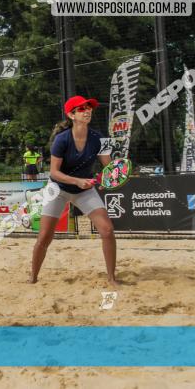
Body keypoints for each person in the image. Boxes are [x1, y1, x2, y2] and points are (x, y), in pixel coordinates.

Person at [29, 95, 118, 286]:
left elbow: (109, 169)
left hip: (84, 189)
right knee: (44, 237)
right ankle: (33, 278)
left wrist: (109, 180)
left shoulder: (100, 138)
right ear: (71, 115)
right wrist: (77, 181)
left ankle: (111, 278)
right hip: (57, 189)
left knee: (107, 230)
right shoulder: (61, 140)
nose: (87, 111)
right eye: (81, 109)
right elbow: (53, 173)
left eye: (89, 108)